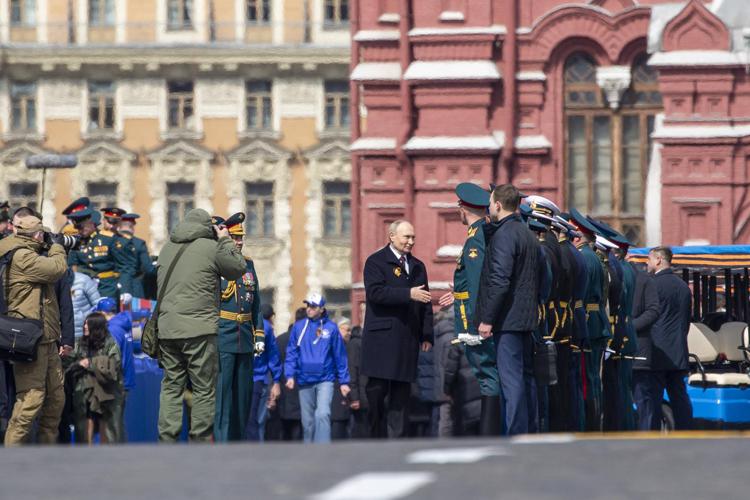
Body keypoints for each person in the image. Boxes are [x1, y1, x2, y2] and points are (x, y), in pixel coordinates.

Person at [156, 208, 246, 443]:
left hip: (167, 330)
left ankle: (167, 439)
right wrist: (225, 239)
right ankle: (200, 439)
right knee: (203, 387)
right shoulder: (211, 248)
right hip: (199, 330)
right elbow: (237, 268)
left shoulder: (167, 249)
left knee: (171, 386)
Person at [438, 183, 502, 435]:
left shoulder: (476, 238)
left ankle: (490, 431)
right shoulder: (480, 233)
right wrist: (458, 293)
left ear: (464, 209)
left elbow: (477, 282)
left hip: (472, 319)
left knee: (487, 375)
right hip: (470, 312)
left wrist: (478, 321)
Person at [476, 184, 540, 436]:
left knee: (511, 381)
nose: (489, 208)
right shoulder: (527, 234)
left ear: (498, 205)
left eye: (491, 203)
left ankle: (515, 433)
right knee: (526, 379)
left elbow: (500, 280)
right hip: (527, 319)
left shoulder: (504, 235)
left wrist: (487, 319)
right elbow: (541, 279)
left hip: (508, 320)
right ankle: (530, 430)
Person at [0, 214, 69, 445]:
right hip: (29, 339)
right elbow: (57, 268)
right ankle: (12, 456)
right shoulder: (20, 256)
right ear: (37, 235)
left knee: (56, 399)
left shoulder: (27, 250)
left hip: (47, 338)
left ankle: (45, 455)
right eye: (43, 234)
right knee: (30, 401)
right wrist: (58, 246)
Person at [361, 220, 434, 439]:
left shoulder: (419, 266)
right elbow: (376, 293)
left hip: (407, 339)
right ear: (392, 236)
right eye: (406, 237)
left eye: (413, 237)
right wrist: (407, 294)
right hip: (381, 341)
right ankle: (376, 440)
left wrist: (427, 334)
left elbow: (426, 302)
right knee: (377, 395)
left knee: (401, 398)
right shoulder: (376, 262)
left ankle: (397, 442)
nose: (411, 241)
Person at [210, 213, 265, 443]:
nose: (239, 242)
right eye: (234, 238)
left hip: (245, 338)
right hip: (223, 336)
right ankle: (221, 441)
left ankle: (238, 440)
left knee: (243, 396)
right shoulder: (215, 263)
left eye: (241, 238)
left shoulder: (248, 264)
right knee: (222, 396)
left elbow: (257, 304)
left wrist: (259, 334)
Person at [284, 293, 350, 443]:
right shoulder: (299, 327)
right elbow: (292, 352)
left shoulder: (331, 328)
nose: (309, 309)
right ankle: (310, 452)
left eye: (313, 306)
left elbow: (340, 356)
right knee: (307, 423)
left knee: (323, 414)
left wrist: (344, 381)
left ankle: (323, 451)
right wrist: (289, 375)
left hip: (325, 379)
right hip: (304, 379)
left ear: (321, 309)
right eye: (308, 305)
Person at [568, 209, 610, 431]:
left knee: (587, 379)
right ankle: (595, 423)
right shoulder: (594, 257)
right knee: (593, 379)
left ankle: (590, 425)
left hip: (589, 321)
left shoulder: (584, 257)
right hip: (597, 320)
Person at [646, 246, 693, 430]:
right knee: (679, 396)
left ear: (658, 260)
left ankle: (655, 432)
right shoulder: (683, 286)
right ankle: (686, 430)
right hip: (678, 349)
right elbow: (686, 321)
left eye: (649, 259)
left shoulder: (653, 284)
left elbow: (649, 316)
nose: (647, 263)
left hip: (658, 350)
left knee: (654, 396)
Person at [67, 312, 124, 444]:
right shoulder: (80, 344)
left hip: (106, 394)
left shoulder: (110, 343)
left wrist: (91, 363)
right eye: (85, 323)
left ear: (96, 327)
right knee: (84, 433)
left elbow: (114, 365)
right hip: (84, 395)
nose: (84, 326)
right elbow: (69, 362)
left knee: (109, 433)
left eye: (88, 324)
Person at [67, 204, 136, 303]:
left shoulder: (108, 239)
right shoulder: (77, 242)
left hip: (107, 287)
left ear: (91, 223)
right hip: (85, 289)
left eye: (83, 227)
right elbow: (72, 265)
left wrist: (125, 290)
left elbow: (124, 266)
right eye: (78, 228)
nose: (81, 231)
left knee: (106, 315)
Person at [91, 297, 135, 442]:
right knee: (117, 423)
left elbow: (111, 359)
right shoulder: (123, 322)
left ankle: (115, 459)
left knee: (111, 425)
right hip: (124, 381)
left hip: (116, 382)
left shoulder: (112, 329)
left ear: (104, 313)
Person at [246, 302, 282, 442]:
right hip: (259, 378)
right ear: (271, 317)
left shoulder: (242, 323)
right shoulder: (266, 328)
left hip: (240, 377)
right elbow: (273, 356)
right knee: (258, 420)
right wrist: (276, 380)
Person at [632, 263, 660, 431]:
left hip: (639, 346)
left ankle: (645, 433)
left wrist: (630, 326)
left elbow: (653, 310)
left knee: (641, 396)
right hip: (617, 346)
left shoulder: (643, 280)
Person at [276, 307, 306, 441]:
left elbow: (275, 364)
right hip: (303, 388)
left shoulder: (280, 339)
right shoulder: (308, 340)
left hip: (283, 388)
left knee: (285, 430)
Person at [118, 213, 155, 299]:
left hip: (114, 286)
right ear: (132, 226)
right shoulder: (138, 243)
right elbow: (148, 268)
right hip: (134, 287)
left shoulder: (111, 241)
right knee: (136, 311)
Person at [346, 325, 369, 439]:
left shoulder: (353, 345)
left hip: (360, 395)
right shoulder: (360, 345)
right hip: (364, 394)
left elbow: (352, 371)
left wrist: (354, 397)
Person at [71, 272, 101, 340]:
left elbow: (97, 304)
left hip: (85, 333)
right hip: (62, 336)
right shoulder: (51, 282)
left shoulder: (84, 280)